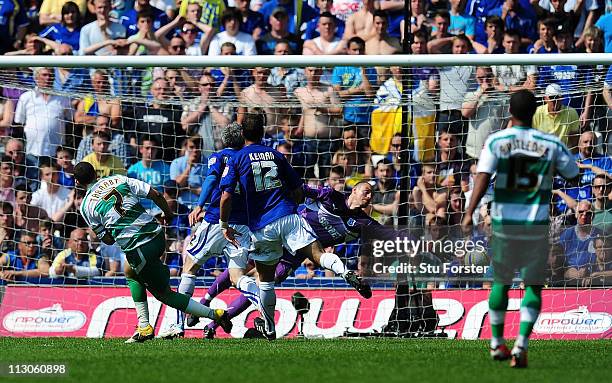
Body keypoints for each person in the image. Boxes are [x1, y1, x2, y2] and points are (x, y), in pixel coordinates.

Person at [220, 113, 370, 339]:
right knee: (318, 254)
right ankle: (345, 272)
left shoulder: (237, 158)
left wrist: (224, 223)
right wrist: (296, 202)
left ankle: (269, 328)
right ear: (263, 132)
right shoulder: (276, 155)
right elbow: (298, 189)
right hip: (289, 217)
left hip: (261, 226)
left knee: (266, 282)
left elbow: (226, 196)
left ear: (242, 133)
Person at [462, 89, 579, 368]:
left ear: (511, 112)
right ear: (534, 112)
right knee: (533, 285)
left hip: (503, 223)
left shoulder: (497, 140)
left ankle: (496, 342)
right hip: (535, 224)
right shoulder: (549, 142)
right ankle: (521, 345)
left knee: (501, 281)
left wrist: (468, 214)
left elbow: (482, 178)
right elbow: (573, 173)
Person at [74, 161, 232, 343]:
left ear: (78, 183)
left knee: (164, 294)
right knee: (129, 270)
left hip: (139, 247)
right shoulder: (117, 179)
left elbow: (107, 239)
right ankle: (144, 326)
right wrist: (167, 213)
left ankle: (215, 314)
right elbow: (155, 194)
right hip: (157, 235)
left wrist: (116, 229)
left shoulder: (86, 206)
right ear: (95, 173)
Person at [202, 176, 378, 337]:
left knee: (262, 285)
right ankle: (205, 301)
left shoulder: (365, 223)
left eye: (372, 194)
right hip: (286, 232)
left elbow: (390, 236)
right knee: (241, 268)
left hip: (299, 251)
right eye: (366, 191)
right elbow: (301, 188)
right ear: (354, 190)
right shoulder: (331, 195)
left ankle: (213, 324)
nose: (369, 197)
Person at [157, 122, 262, 339]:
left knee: (190, 265)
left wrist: (199, 205)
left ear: (225, 140)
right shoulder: (250, 159)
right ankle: (263, 304)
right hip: (243, 224)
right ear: (242, 139)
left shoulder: (219, 156)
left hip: (217, 220)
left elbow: (212, 179)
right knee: (237, 276)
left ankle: (177, 326)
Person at [13, 67, 73, 158]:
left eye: (51, 75)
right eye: (44, 75)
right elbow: (18, 123)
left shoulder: (63, 98)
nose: (48, 78)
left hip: (56, 153)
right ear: (36, 77)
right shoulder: (26, 97)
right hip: (31, 151)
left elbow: (70, 121)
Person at [127, 135, 170, 211]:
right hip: (140, 210)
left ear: (157, 150)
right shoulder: (132, 170)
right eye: (147, 148)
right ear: (141, 149)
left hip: (159, 209)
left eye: (153, 148)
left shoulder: (164, 168)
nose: (150, 151)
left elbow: (168, 192)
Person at [532, 83, 580, 149]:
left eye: (557, 97)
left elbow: (574, 140)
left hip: (563, 153)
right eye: (551, 97)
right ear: (545, 98)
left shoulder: (571, 113)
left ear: (562, 98)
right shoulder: (537, 112)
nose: (554, 101)